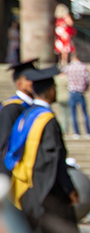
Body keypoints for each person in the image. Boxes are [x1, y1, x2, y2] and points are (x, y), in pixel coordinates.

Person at [4, 66, 79, 233]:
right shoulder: (47, 120)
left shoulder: (26, 115)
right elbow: (55, 159)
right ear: (52, 91)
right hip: (47, 192)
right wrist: (69, 189)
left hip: (24, 187)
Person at [0, 59, 38, 176]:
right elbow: (4, 145)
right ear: (20, 84)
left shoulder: (33, 107)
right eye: (30, 79)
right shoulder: (11, 108)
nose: (36, 82)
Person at [61, 52, 90, 139]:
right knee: (84, 113)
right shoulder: (83, 67)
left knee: (73, 113)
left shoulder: (68, 67)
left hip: (72, 91)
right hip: (81, 92)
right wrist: (86, 88)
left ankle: (76, 132)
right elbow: (88, 79)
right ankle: (88, 132)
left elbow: (62, 75)